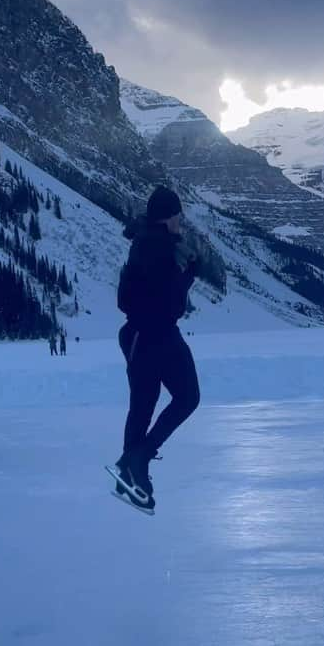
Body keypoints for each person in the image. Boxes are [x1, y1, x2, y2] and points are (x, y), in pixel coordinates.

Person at [115, 185, 201, 509]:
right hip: (158, 335)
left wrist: (184, 275)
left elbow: (148, 292)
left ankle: (129, 474)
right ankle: (138, 459)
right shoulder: (160, 246)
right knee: (187, 397)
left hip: (139, 335)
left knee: (142, 406)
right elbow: (170, 302)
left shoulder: (145, 242)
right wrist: (190, 273)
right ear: (169, 217)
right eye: (179, 216)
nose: (181, 222)